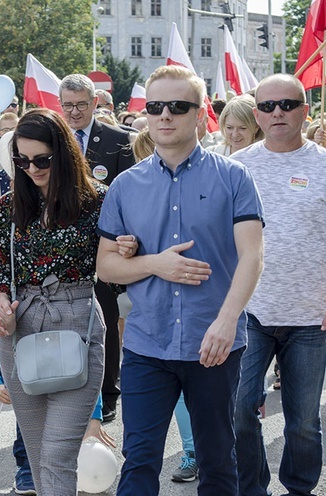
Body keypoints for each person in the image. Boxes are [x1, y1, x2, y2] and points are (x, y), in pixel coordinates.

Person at [96, 65, 264, 496]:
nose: (165, 115)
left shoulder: (234, 177)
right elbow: (106, 267)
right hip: (146, 344)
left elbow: (252, 255)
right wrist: (154, 265)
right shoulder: (124, 186)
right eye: (155, 107)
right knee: (139, 463)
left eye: (178, 106)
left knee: (217, 462)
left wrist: (227, 322)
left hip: (214, 343)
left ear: (199, 112)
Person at [0, 108, 110, 495]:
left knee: (58, 455)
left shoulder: (96, 200)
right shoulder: (9, 206)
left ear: (63, 152)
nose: (31, 168)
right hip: (21, 330)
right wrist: (2, 305)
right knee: (39, 455)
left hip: (77, 321)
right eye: (21, 160)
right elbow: (1, 274)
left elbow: (111, 268)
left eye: (42, 160)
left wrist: (126, 248)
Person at [231, 73, 326, 496]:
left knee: (303, 419)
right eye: (268, 106)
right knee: (238, 407)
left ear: (305, 110)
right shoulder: (237, 167)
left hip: (311, 316)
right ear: (257, 114)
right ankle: (252, 488)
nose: (278, 113)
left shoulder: (323, 164)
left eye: (287, 104)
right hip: (249, 311)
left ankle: (300, 489)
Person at [59, 73, 135, 422]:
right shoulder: (54, 139)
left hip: (105, 246)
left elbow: (130, 196)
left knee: (105, 320)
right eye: (68, 105)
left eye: (81, 105)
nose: (74, 112)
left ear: (95, 104)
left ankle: (108, 392)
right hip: (61, 248)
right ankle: (69, 389)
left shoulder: (120, 140)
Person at [130, 125, 199, 484]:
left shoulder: (198, 188)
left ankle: (191, 452)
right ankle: (190, 451)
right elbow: (110, 261)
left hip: (195, 321)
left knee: (204, 416)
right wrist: (134, 251)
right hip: (148, 323)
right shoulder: (131, 190)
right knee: (140, 446)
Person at [0, 336, 116, 495]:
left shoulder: (72, 323)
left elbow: (92, 366)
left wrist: (95, 416)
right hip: (30, 395)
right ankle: (27, 470)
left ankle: (65, 470)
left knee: (63, 445)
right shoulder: (22, 319)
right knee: (29, 433)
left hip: (66, 395)